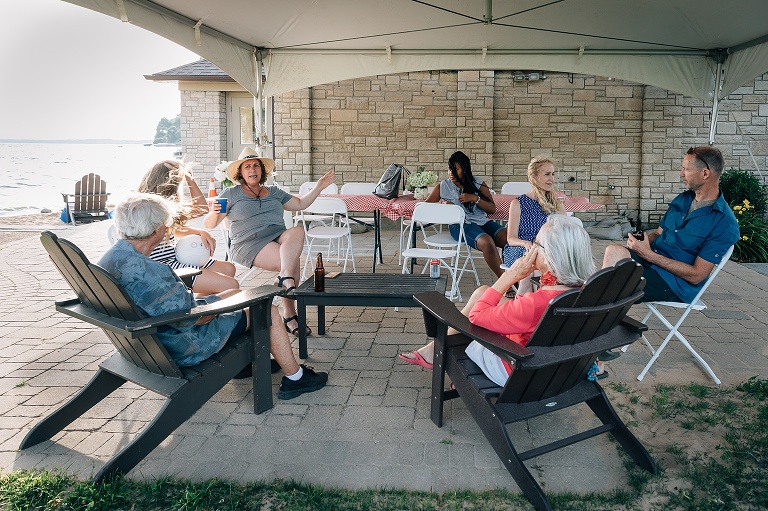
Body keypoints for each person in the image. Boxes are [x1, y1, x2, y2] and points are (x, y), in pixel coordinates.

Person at [99, 193, 327, 400]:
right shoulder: (152, 273)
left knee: (237, 292)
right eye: (165, 226)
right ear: (157, 229)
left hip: (147, 342)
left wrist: (225, 299)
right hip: (185, 344)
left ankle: (244, 363)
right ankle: (295, 378)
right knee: (266, 308)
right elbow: (196, 318)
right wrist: (223, 305)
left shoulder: (111, 259)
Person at [399, 215, 607, 382]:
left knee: (474, 318)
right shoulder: (586, 291)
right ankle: (433, 348)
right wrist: (525, 281)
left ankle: (442, 351)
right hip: (559, 365)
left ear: (552, 257)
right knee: (482, 292)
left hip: (516, 367)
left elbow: (477, 316)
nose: (531, 248)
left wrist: (510, 276)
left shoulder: (537, 304)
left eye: (536, 244)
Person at [203, 147, 336, 337]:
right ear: (241, 172)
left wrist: (319, 187)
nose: (252, 170)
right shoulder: (230, 194)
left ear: (262, 170)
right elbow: (211, 224)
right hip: (248, 243)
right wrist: (214, 212)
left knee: (297, 231)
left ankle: (283, 281)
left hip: (277, 235)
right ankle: (290, 314)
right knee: (291, 261)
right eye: (247, 166)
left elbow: (300, 204)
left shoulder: (274, 192)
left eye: (256, 165)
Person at [602, 146, 739, 304]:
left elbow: (696, 275)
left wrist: (649, 255)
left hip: (674, 283)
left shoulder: (724, 223)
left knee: (613, 286)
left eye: (686, 169)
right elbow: (659, 234)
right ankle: (601, 309)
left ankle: (597, 316)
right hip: (650, 262)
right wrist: (643, 241)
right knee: (613, 252)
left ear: (705, 174)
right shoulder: (683, 199)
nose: (681, 174)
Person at [137, 160, 239, 296]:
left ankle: (204, 308)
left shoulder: (163, 204)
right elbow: (202, 208)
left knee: (228, 269)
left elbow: (172, 227)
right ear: (169, 184)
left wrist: (199, 232)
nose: (179, 187)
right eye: (179, 182)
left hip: (173, 259)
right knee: (231, 285)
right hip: (163, 268)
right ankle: (205, 313)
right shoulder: (150, 207)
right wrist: (188, 178)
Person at [425, 150, 507, 277]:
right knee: (487, 242)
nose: (451, 173)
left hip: (482, 221)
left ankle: (515, 276)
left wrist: (475, 198)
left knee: (510, 239)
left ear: (465, 169)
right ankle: (506, 283)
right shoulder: (443, 186)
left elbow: (492, 209)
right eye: (449, 169)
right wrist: (445, 207)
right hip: (459, 225)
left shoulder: (478, 184)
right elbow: (426, 208)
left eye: (456, 169)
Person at [502, 156, 565, 295]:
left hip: (548, 248)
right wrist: (525, 243)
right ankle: (532, 301)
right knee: (534, 261)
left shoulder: (556, 204)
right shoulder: (518, 203)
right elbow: (511, 238)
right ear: (534, 177)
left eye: (553, 174)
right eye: (547, 174)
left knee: (542, 260)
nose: (552, 179)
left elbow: (564, 232)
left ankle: (532, 301)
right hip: (522, 248)